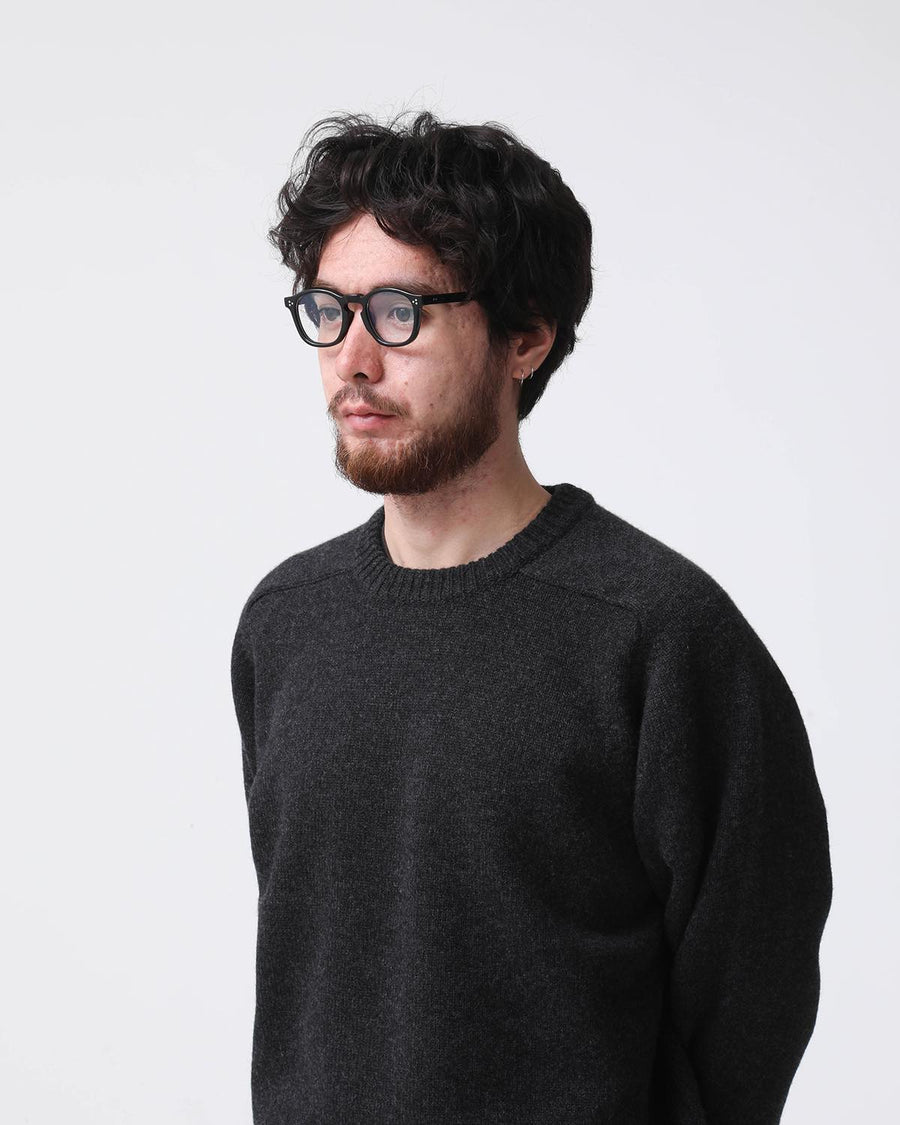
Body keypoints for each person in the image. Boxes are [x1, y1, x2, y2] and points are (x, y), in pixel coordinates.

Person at [230, 111, 832, 1125]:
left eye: (399, 312)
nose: (353, 358)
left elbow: (751, 992)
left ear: (526, 337)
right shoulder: (286, 622)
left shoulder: (657, 633)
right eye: (328, 310)